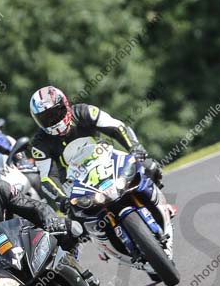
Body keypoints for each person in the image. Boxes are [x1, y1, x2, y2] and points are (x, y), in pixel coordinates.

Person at [28, 85, 166, 207]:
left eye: (56, 113)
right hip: (76, 183)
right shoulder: (39, 144)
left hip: (106, 160)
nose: (53, 121)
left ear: (65, 105)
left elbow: (116, 127)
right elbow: (47, 178)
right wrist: (62, 199)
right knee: (74, 225)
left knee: (149, 167)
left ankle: (161, 206)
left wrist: (134, 147)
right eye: (46, 119)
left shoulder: (84, 111)